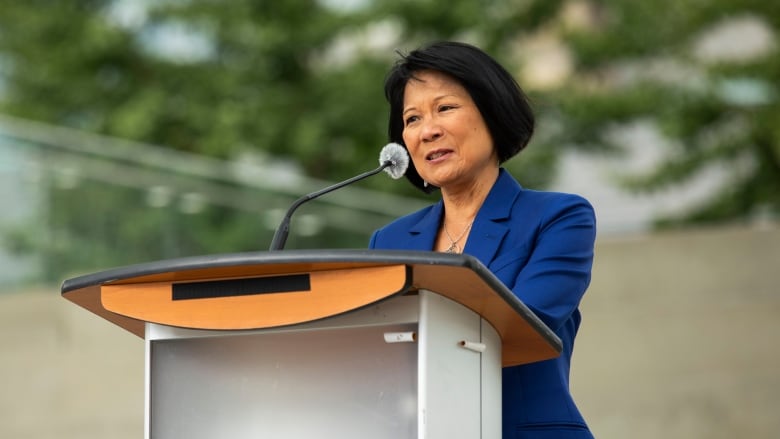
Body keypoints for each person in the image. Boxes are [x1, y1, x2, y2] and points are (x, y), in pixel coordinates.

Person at [369, 41, 597, 438]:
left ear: (492, 115)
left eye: (445, 108)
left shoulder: (558, 217)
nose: (428, 130)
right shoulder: (388, 240)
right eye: (412, 118)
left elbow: (528, 324)